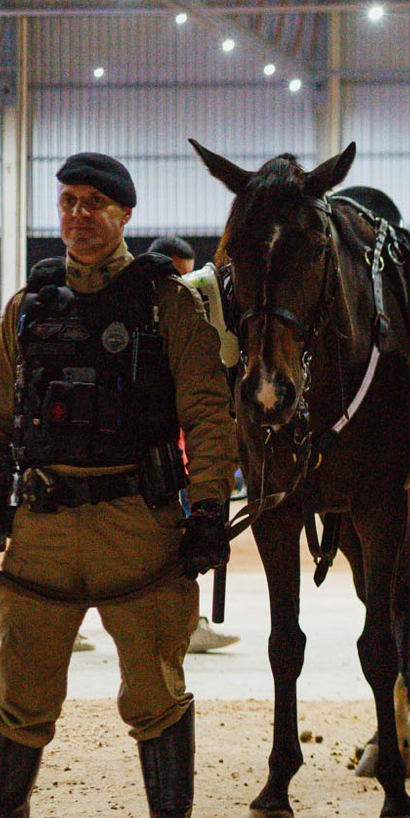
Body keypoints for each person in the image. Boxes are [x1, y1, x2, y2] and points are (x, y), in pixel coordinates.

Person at [0, 153, 236, 818]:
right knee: (21, 694)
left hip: (137, 522)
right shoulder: (29, 306)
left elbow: (208, 411)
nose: (78, 215)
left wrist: (209, 507)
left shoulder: (166, 304)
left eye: (94, 203)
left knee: (155, 693)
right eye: (68, 201)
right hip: (41, 527)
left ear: (124, 215)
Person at [149, 235, 240, 656]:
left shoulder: (191, 317)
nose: (186, 286)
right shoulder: (147, 314)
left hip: (184, 451)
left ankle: (189, 620)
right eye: (178, 275)